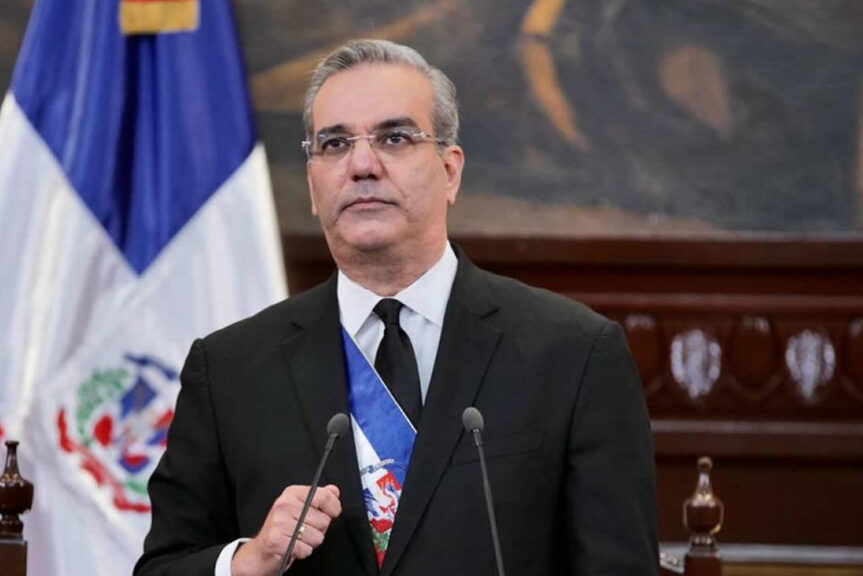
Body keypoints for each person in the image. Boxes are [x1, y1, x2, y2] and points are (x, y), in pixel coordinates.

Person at [134, 39, 658, 576]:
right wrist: (246, 562)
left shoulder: (573, 355)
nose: (362, 164)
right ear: (313, 185)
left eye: (395, 137)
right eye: (334, 144)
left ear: (450, 171)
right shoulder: (230, 369)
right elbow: (162, 566)